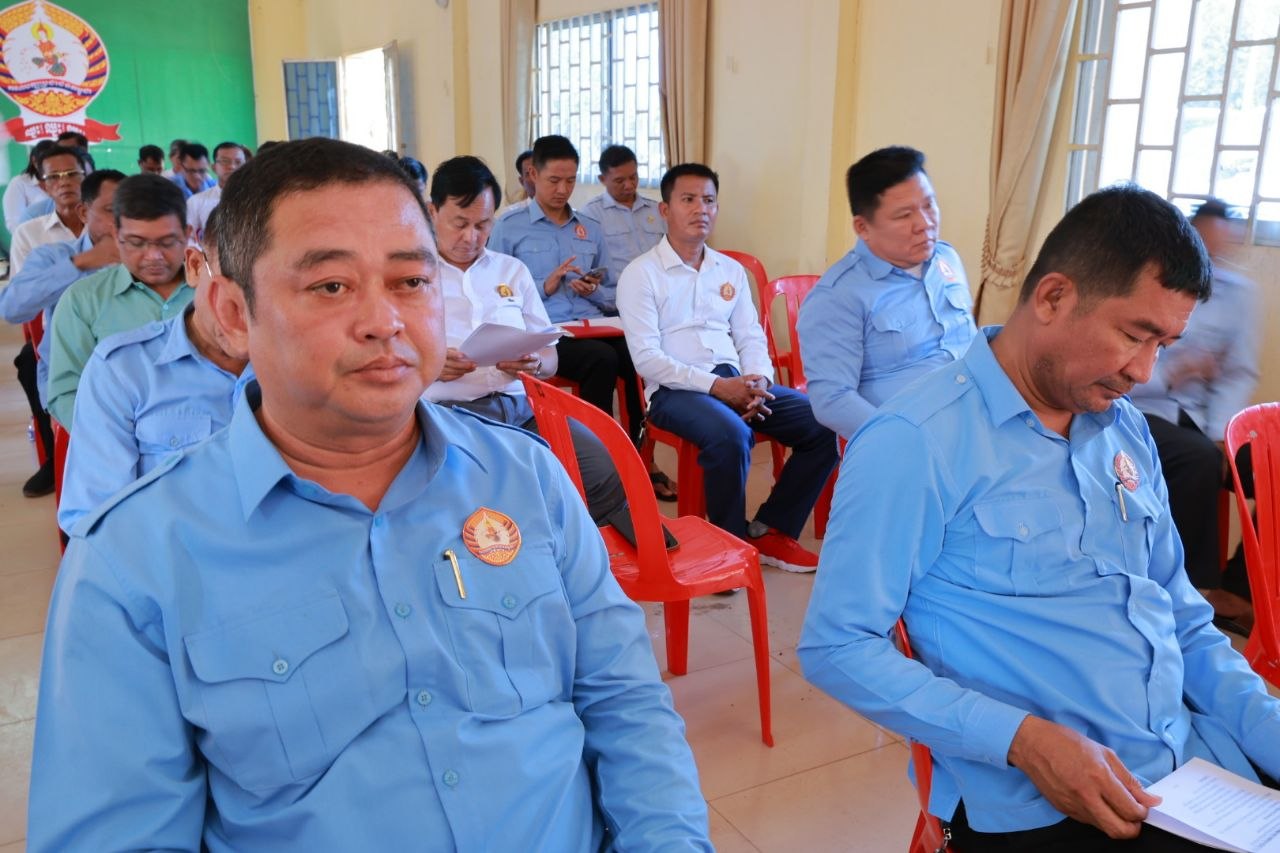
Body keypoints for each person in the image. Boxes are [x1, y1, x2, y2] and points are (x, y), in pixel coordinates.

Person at [28, 136, 710, 852]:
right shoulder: (133, 560)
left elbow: (627, 705)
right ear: (231, 312)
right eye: (331, 286)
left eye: (410, 281)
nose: (385, 320)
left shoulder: (527, 478)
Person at [798, 185, 1280, 851]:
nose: (1145, 371)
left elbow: (1182, 618)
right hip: (1047, 802)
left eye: (1165, 344)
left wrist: (1267, 728)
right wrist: (1023, 741)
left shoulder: (1125, 430)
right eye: (1133, 335)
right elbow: (836, 647)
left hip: (1189, 761)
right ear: (1053, 297)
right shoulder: (915, 440)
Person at [618, 163, 837, 573]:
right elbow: (647, 358)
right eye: (688, 199)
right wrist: (719, 388)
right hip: (675, 391)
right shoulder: (641, 274)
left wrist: (758, 381)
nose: (700, 209)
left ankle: (771, 531)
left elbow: (751, 336)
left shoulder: (729, 271)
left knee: (824, 422)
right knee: (731, 434)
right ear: (664, 210)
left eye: (709, 200)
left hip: (735, 380)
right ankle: (728, 549)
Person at [424, 154, 626, 524]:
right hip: (449, 414)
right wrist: (430, 365)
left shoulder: (510, 271)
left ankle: (580, 548)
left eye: (483, 224)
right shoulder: (412, 277)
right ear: (432, 211)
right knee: (497, 491)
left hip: (522, 408)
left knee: (601, 470)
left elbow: (549, 354)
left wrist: (534, 363)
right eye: (460, 223)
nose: (471, 237)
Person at [59, 208, 247, 532]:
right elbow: (96, 522)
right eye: (229, 291)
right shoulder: (121, 370)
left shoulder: (306, 366)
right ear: (194, 266)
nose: (243, 317)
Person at [1130, 198, 1261, 631]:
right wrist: (1177, 371)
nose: (1212, 254)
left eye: (1221, 245)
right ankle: (1192, 590)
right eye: (1203, 242)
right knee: (1198, 459)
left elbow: (1239, 371)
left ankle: (1239, 590)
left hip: (1206, 418)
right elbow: (1126, 373)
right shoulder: (1152, 282)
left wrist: (1225, 433)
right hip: (1149, 408)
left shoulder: (1240, 295)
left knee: (1270, 464)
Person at [798, 146, 977, 440]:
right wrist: (905, 439)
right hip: (912, 439)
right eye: (904, 215)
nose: (925, 224)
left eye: (929, 205)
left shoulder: (946, 259)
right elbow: (832, 400)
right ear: (863, 227)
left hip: (977, 422)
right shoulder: (838, 296)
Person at [489, 135, 646, 451]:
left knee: (639, 353)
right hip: (547, 331)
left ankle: (638, 451)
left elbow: (611, 293)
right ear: (533, 174)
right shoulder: (509, 227)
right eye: (554, 180)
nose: (563, 189)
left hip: (593, 325)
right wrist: (542, 288)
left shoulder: (589, 227)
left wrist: (593, 290)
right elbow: (494, 292)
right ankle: (596, 451)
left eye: (571, 180)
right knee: (601, 359)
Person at [1, 168, 123, 498]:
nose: (122, 220)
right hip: (78, 386)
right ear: (84, 212)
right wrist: (82, 262)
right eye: (111, 210)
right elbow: (12, 308)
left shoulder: (149, 259)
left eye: (131, 209)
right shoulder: (54, 255)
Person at [46, 173, 194, 427]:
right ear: (116, 235)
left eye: (167, 242)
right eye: (136, 243)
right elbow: (67, 394)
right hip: (118, 438)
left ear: (187, 234)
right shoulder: (83, 301)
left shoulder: (215, 291)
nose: (153, 256)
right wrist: (113, 439)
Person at [581, 144, 676, 500]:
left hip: (663, 309)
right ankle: (618, 461)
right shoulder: (590, 217)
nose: (629, 185)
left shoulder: (656, 211)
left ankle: (646, 455)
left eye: (634, 177)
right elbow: (588, 275)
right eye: (619, 180)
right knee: (633, 363)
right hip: (615, 312)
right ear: (602, 178)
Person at [8, 144, 89, 273]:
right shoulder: (27, 234)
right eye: (54, 177)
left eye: (72, 174)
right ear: (44, 187)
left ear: (85, 179)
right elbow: (23, 284)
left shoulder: (107, 226)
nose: (64, 182)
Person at [187, 141, 247, 247]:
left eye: (238, 162)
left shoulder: (256, 201)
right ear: (214, 167)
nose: (232, 167)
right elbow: (190, 239)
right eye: (225, 161)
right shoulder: (196, 202)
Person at [3, 140, 55, 235]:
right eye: (47, 162)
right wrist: (30, 239)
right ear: (34, 161)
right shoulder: (19, 183)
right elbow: (14, 222)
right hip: (31, 239)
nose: (51, 166)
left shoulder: (62, 180)